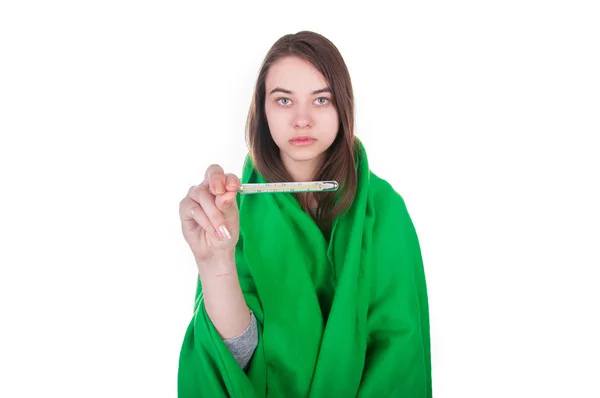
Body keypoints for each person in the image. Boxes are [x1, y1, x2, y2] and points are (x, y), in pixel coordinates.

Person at [177, 30, 432, 397]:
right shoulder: (232, 211)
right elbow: (238, 358)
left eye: (321, 100)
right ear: (262, 111)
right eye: (283, 101)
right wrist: (216, 261)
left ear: (343, 107)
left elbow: (399, 356)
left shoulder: (385, 209)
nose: (302, 119)